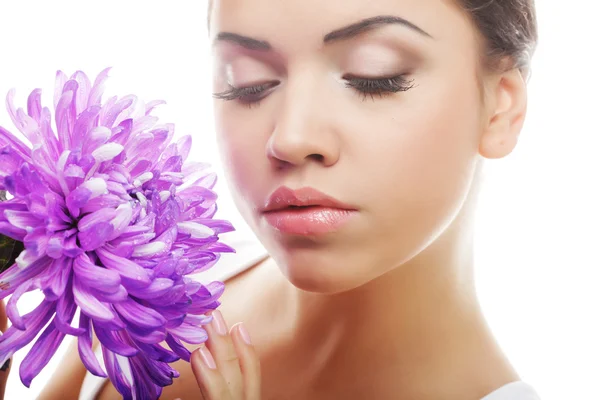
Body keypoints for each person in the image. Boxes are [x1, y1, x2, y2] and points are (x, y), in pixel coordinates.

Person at [32, 0, 541, 398]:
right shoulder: (140, 285)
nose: (291, 137)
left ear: (500, 109)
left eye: (374, 76)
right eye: (248, 83)